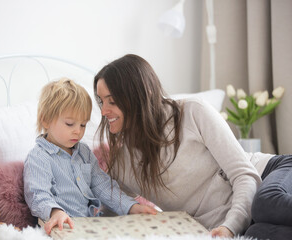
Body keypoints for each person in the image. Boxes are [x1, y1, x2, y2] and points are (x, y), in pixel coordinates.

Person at [93, 54, 292, 239]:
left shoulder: (192, 112)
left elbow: (245, 175)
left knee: (266, 204)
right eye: (101, 101)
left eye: (112, 101)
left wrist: (230, 227)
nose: (103, 111)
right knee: (259, 233)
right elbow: (111, 208)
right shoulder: (122, 163)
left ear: (141, 95)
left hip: (268, 175)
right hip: (242, 221)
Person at [23, 78, 157, 235]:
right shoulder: (39, 157)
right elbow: (38, 194)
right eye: (69, 124)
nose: (78, 131)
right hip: (60, 228)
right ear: (45, 120)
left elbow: (103, 185)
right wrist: (55, 212)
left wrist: (131, 206)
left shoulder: (84, 152)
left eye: (83, 125)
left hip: (90, 225)